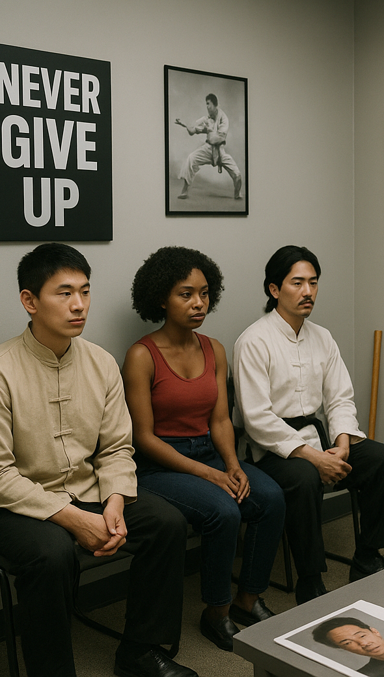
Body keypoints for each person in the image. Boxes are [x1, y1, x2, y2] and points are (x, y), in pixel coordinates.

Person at [0, 243, 196, 677]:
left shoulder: (102, 362)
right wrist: (73, 519)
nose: (79, 305)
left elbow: (115, 448)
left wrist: (113, 503)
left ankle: (140, 651)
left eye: (86, 292)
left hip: (86, 491)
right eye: (64, 293)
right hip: (6, 507)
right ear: (29, 301)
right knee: (51, 553)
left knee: (166, 523)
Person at [121, 247, 286, 652]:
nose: (199, 303)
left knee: (269, 497)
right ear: (161, 298)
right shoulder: (141, 356)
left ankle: (248, 597)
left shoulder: (214, 349)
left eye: (205, 293)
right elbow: (143, 437)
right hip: (160, 465)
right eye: (185, 294)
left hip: (209, 452)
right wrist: (207, 474)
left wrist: (233, 465)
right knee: (223, 510)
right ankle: (217, 611)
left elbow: (219, 421)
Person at [233, 245, 384, 604]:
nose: (308, 291)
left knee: (383, 459)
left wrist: (341, 444)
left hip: (320, 437)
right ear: (274, 289)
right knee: (305, 477)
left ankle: (367, 555)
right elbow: (257, 418)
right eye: (297, 283)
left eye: (313, 282)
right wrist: (315, 458)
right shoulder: (253, 341)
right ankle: (310, 577)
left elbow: (340, 397)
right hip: (270, 449)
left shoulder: (322, 337)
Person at [175, 93, 243, 200]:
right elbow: (193, 131)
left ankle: (237, 193)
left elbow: (217, 139)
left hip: (220, 151)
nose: (206, 106)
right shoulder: (207, 119)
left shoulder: (223, 118)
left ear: (215, 105)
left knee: (237, 175)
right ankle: (185, 190)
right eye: (205, 104)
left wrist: (209, 130)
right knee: (191, 159)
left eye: (208, 104)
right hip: (207, 149)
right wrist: (184, 124)